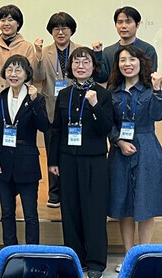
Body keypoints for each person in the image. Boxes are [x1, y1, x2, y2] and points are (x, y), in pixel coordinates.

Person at [107, 46, 162, 273]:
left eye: (132, 59)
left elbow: (158, 115)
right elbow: (109, 123)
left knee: (146, 203)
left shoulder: (149, 88)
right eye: (122, 60)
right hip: (121, 150)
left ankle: (143, 255)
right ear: (117, 65)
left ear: (141, 62)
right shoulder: (113, 91)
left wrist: (157, 90)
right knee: (124, 203)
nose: (127, 64)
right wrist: (118, 141)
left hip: (147, 148)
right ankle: (129, 257)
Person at [48, 47, 114, 278]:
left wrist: (94, 105)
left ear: (93, 67)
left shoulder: (102, 95)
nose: (80, 66)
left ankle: (96, 262)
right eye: (76, 62)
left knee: (94, 211)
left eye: (85, 62)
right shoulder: (64, 94)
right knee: (70, 210)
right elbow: (57, 129)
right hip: (67, 159)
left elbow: (106, 128)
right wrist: (53, 160)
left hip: (94, 160)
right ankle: (75, 258)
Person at [0, 4, 37, 206]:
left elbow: (30, 72)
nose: (6, 23)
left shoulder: (26, 46)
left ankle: (18, 186)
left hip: (18, 101)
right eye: (3, 19)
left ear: (18, 23)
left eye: (11, 19)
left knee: (18, 143)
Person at [0, 55, 50, 246]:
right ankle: (10, 252)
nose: (13, 74)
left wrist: (34, 101)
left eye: (18, 70)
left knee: (30, 214)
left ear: (26, 74)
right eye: (9, 70)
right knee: (7, 213)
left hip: (27, 162)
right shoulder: (0, 97)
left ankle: (32, 252)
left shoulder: (36, 98)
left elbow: (44, 126)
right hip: (4, 162)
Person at [33, 12, 81, 208]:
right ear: (51, 31)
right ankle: (54, 193)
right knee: (53, 151)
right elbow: (37, 77)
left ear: (71, 30)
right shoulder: (44, 52)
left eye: (64, 28)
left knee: (73, 151)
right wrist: (37, 55)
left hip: (74, 107)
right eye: (56, 29)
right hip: (51, 107)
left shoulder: (80, 51)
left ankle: (71, 191)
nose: (61, 32)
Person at [94, 6, 158, 83]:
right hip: (114, 90)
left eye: (128, 22)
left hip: (140, 90)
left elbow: (149, 78)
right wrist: (98, 54)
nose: (123, 26)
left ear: (137, 24)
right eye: (120, 22)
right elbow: (101, 78)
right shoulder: (108, 51)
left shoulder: (147, 49)